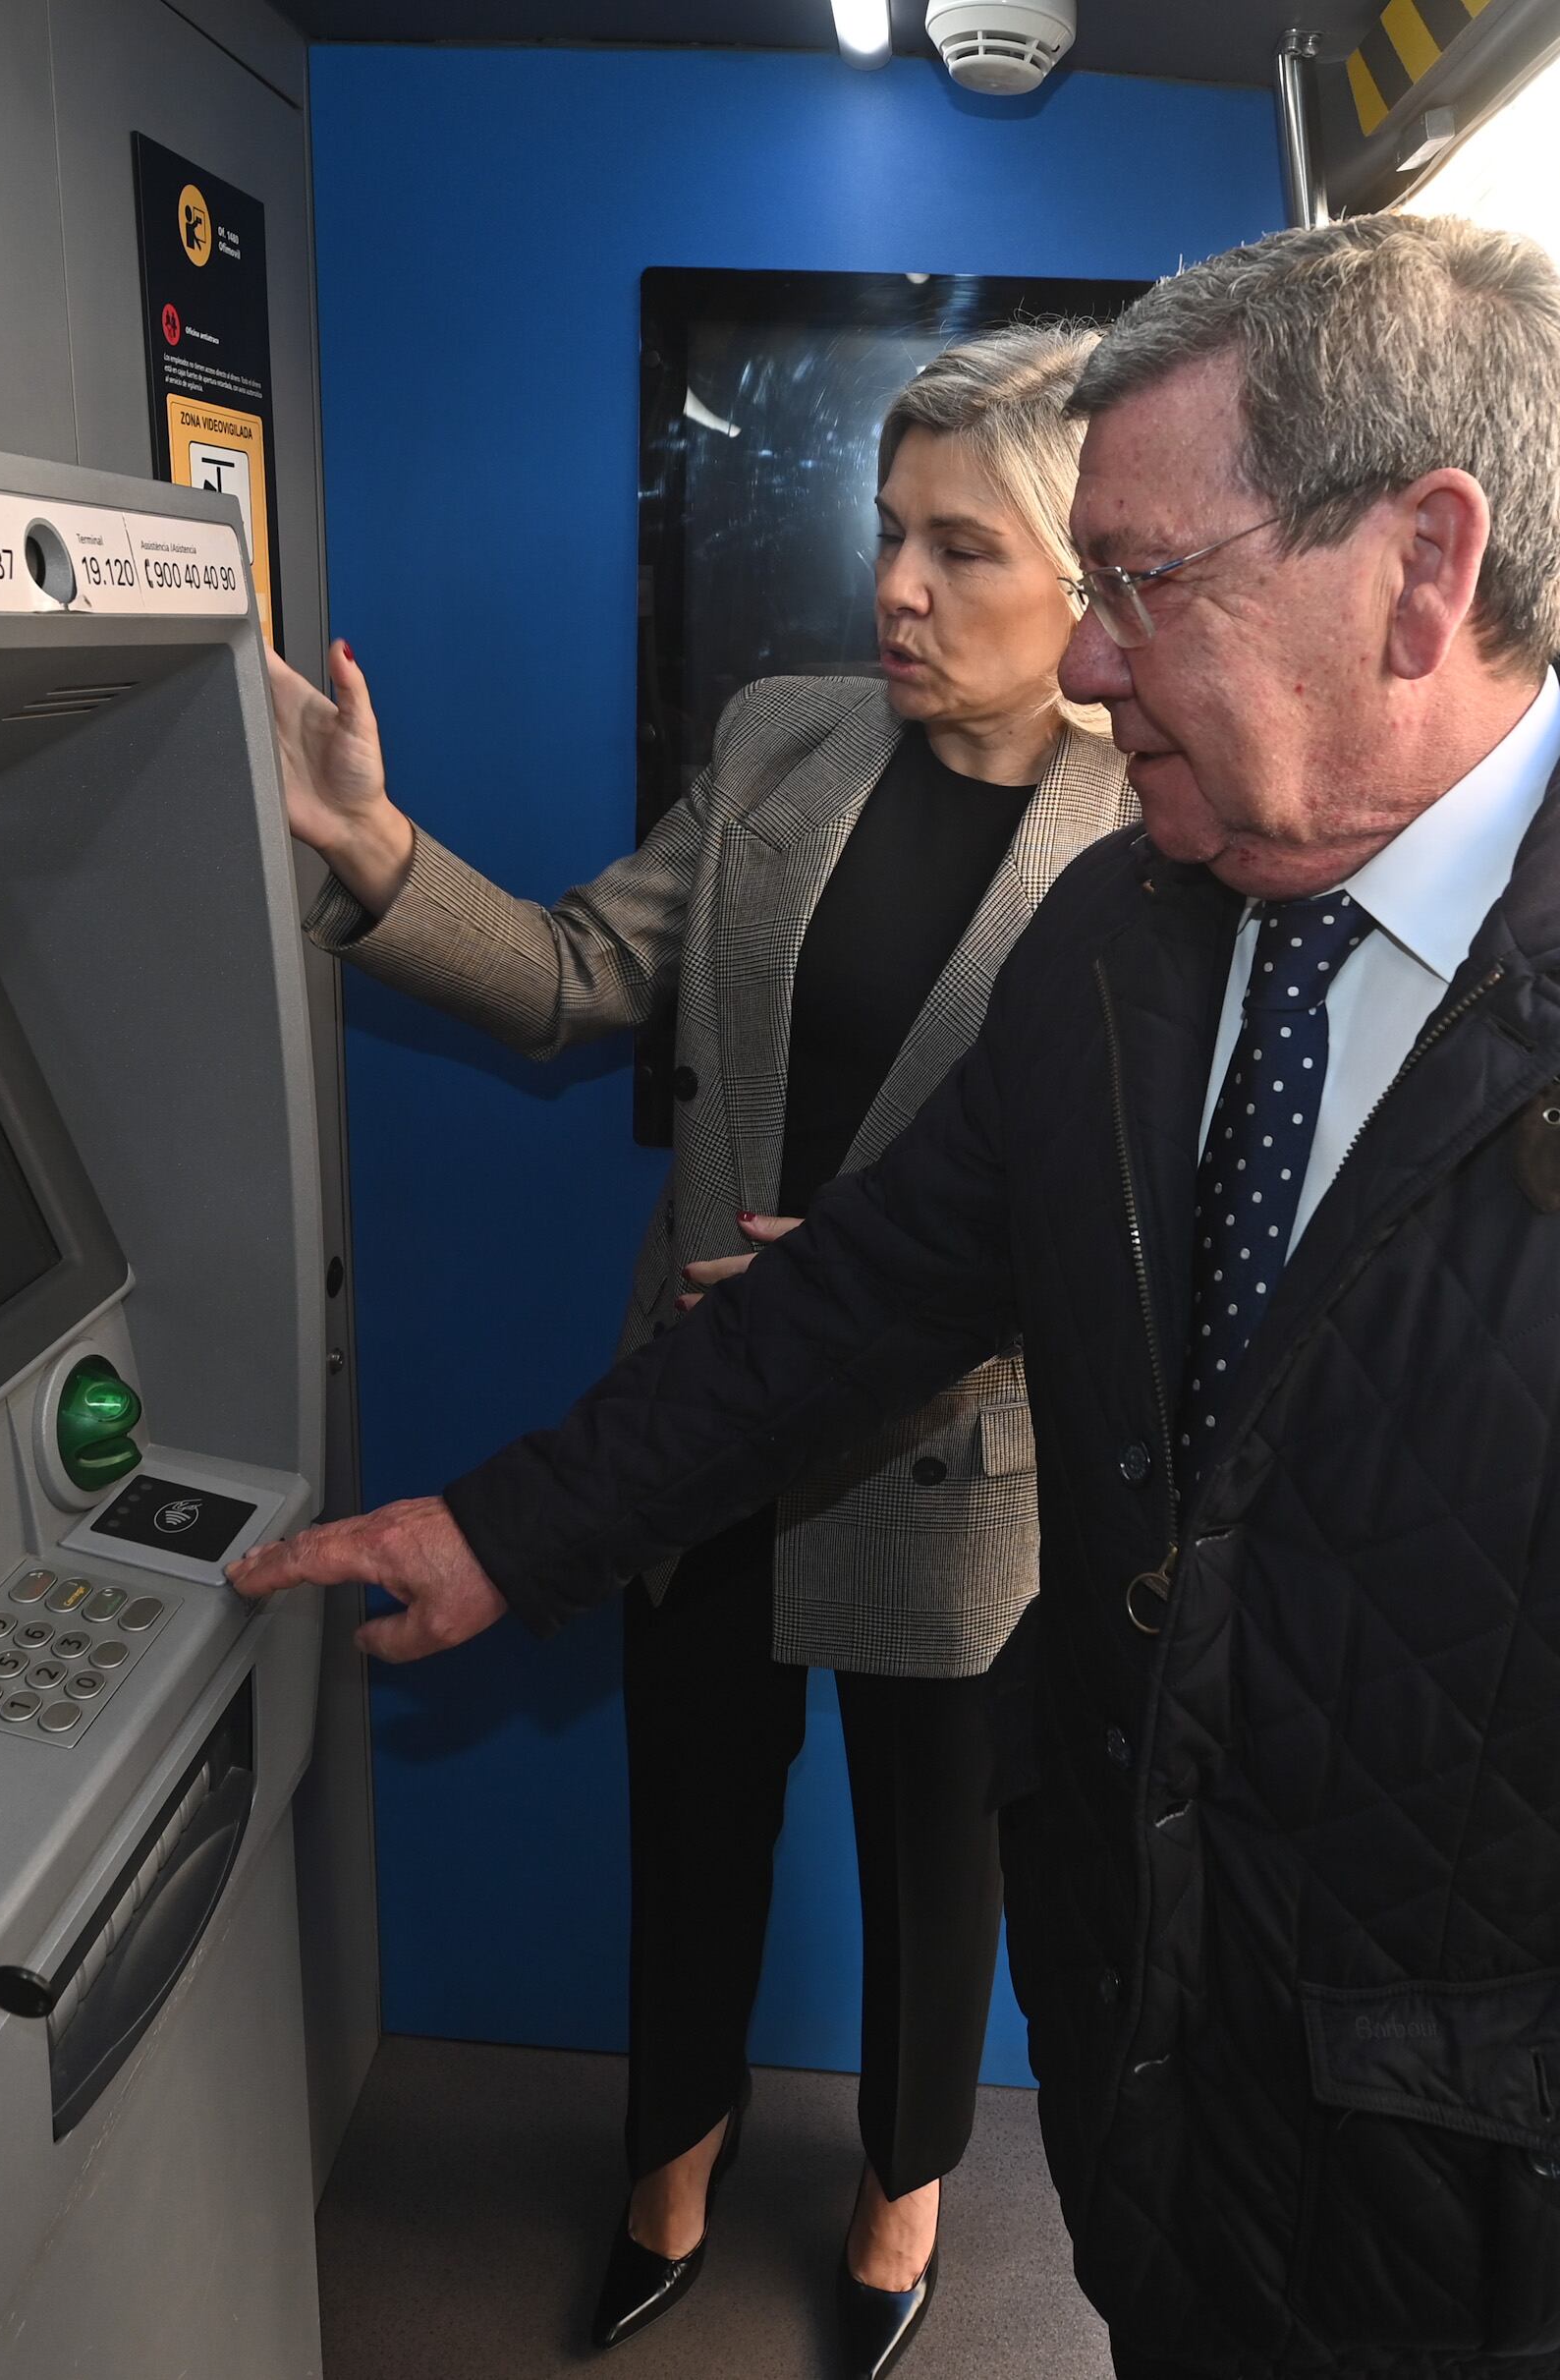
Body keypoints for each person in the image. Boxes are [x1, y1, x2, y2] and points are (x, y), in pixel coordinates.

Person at [242, 216, 1560, 2380]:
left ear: (1421, 568)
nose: (1080, 660)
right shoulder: (1128, 948)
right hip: (1164, 2145)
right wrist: (507, 1526)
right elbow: (841, 1305)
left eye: (1139, 581)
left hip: (1534, 2260)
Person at [267, 324, 1134, 2377]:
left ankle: (902, 2190)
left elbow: (1134, 1215)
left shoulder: (1153, 839)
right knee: (692, 1806)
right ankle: (672, 2154)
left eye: (961, 548)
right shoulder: (780, 740)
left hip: (951, 1455)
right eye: (886, 536)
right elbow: (582, 968)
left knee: (941, 1865)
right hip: (698, 1424)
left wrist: (898, 1273)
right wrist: (380, 856)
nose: (897, 590)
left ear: (1087, 581)